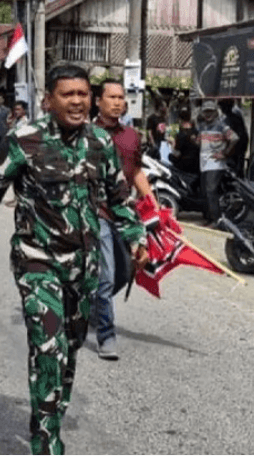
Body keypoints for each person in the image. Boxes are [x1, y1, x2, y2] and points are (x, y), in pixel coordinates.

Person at [0, 65, 147, 455]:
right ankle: (46, 443)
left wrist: (135, 237)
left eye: (83, 94)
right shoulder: (24, 140)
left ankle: (49, 414)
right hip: (37, 261)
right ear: (49, 100)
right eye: (67, 94)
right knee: (47, 347)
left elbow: (118, 198)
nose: (77, 101)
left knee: (68, 351)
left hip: (84, 266)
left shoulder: (100, 144)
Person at [92, 79, 157, 360]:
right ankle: (106, 335)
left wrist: (153, 204)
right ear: (98, 101)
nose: (118, 102)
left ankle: (93, 306)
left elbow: (136, 171)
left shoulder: (132, 136)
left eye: (121, 98)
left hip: (126, 212)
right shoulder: (87, 134)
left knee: (124, 272)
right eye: (112, 97)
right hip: (98, 212)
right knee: (106, 276)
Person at [197, 100, 239, 226]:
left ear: (215, 112)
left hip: (215, 164)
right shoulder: (203, 126)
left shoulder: (221, 126)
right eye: (205, 111)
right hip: (204, 163)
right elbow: (200, 141)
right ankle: (209, 218)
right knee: (205, 192)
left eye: (210, 111)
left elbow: (235, 138)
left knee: (211, 191)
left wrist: (224, 153)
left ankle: (216, 220)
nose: (208, 114)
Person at [218, 99, 249, 176]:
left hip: (236, 148)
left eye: (222, 107)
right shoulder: (226, 117)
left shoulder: (234, 116)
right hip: (234, 147)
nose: (221, 109)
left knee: (236, 171)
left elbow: (238, 137)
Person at [170, 107, 200, 175]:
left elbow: (177, 154)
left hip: (184, 166)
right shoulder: (196, 131)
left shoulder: (180, 134)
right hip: (196, 165)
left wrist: (172, 145)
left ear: (180, 120)